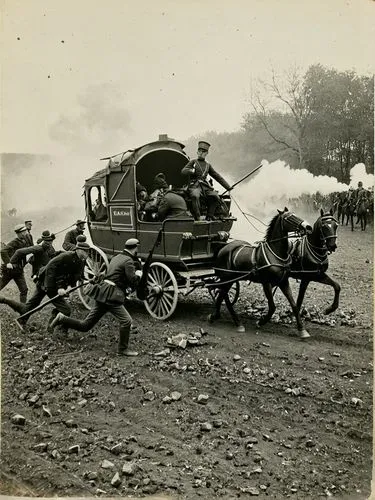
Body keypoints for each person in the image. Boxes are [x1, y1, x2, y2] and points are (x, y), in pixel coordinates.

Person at [50, 238, 142, 357]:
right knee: (126, 321)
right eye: (137, 249)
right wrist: (139, 273)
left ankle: (62, 318)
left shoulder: (116, 257)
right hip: (112, 296)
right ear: (135, 248)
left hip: (102, 293)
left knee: (85, 325)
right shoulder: (128, 261)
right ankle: (122, 349)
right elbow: (133, 281)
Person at [0, 235, 90, 331]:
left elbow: (77, 275)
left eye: (88, 251)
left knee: (28, 308)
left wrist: (79, 283)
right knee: (66, 309)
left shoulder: (81, 261)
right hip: (48, 283)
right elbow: (51, 267)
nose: (87, 254)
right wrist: (59, 287)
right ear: (78, 250)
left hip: (49, 283)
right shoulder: (66, 256)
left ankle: (6, 302)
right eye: (86, 251)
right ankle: (57, 329)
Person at [181, 141, 232, 220]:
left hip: (205, 186)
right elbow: (183, 171)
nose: (201, 153)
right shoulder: (193, 162)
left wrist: (228, 187)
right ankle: (198, 217)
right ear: (197, 152)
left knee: (216, 196)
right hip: (194, 186)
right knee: (195, 195)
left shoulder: (208, 165)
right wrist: (192, 171)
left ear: (207, 153)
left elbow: (216, 176)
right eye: (199, 151)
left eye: (203, 152)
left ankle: (210, 216)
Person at [0, 224, 30, 302]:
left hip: (18, 271)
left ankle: (23, 311)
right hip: (9, 271)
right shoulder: (15, 242)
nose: (25, 233)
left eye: (25, 231)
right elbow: (3, 251)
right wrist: (8, 263)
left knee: (24, 290)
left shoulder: (24, 240)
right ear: (19, 233)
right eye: (23, 232)